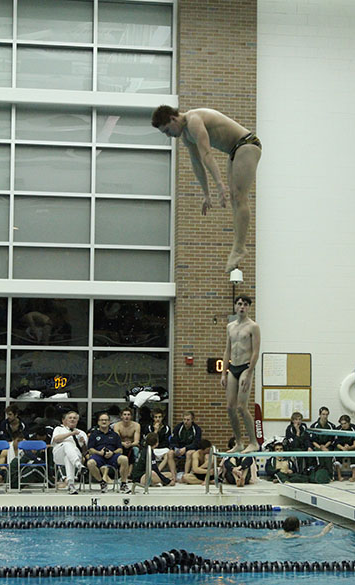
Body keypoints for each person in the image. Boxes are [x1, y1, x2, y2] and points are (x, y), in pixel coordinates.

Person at [151, 105, 262, 273]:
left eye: (167, 130)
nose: (169, 136)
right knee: (234, 199)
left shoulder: (194, 120)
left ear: (173, 119)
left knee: (239, 197)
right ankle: (238, 246)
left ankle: (239, 247)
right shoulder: (186, 136)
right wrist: (206, 193)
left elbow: (207, 154)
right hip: (235, 150)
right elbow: (197, 164)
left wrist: (219, 184)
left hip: (246, 143)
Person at [221, 295, 260, 454]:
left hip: (245, 367)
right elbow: (227, 351)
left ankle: (253, 442)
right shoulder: (230, 327)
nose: (242, 307)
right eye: (239, 304)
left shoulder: (253, 327)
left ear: (248, 307)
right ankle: (238, 442)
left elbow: (256, 352)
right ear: (235, 307)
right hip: (233, 367)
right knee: (230, 407)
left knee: (241, 407)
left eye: (245, 304)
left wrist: (250, 373)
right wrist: (223, 373)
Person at [87, 412, 130, 493]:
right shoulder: (94, 434)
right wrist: (99, 453)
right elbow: (90, 449)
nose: (104, 422)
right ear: (98, 422)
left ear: (109, 422)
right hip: (99, 456)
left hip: (112, 456)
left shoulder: (115, 435)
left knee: (124, 459)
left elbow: (120, 449)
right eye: (102, 420)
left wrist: (112, 453)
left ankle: (123, 484)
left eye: (106, 420)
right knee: (90, 463)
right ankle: (102, 482)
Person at [52, 411, 88, 495]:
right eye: (70, 418)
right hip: (58, 454)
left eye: (74, 418)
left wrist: (84, 444)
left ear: (77, 421)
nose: (72, 419)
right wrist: (71, 434)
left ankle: (71, 484)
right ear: (65, 421)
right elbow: (56, 439)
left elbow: (85, 452)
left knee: (68, 457)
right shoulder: (59, 429)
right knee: (67, 445)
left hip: (74, 456)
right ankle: (79, 466)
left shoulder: (81, 433)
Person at [144, 408, 176, 483]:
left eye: (159, 417)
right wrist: (155, 431)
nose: (158, 419)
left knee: (168, 454)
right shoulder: (149, 427)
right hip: (152, 448)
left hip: (163, 448)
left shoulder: (167, 428)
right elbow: (150, 441)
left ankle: (172, 475)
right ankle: (157, 473)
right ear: (153, 418)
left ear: (162, 418)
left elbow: (166, 442)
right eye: (156, 417)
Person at [168, 410, 202, 475]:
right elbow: (173, 440)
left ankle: (185, 474)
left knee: (189, 453)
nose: (185, 422)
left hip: (190, 449)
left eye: (188, 420)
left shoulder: (197, 429)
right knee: (170, 453)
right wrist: (175, 448)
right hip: (179, 449)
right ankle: (173, 475)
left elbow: (197, 443)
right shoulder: (178, 427)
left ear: (192, 420)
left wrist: (186, 448)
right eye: (184, 419)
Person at [112, 407, 141, 476]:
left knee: (134, 450)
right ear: (121, 416)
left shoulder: (136, 425)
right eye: (124, 414)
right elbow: (116, 440)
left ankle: (129, 474)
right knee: (120, 450)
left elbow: (136, 441)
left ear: (131, 416)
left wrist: (130, 444)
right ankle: (121, 473)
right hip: (120, 445)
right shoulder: (117, 425)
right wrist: (123, 444)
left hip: (132, 446)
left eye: (128, 415)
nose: (126, 416)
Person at [333, 415, 355, 482]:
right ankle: (339, 476)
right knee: (337, 452)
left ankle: (353, 476)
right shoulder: (338, 429)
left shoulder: (354, 429)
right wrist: (342, 448)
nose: (343, 425)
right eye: (342, 424)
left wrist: (349, 448)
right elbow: (336, 443)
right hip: (341, 447)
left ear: (349, 423)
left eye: (345, 423)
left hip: (351, 446)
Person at [310, 406, 336, 477]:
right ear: (319, 414)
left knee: (328, 455)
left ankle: (330, 475)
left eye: (326, 414)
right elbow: (312, 440)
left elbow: (332, 439)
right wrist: (321, 447)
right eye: (323, 414)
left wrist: (325, 447)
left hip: (327, 445)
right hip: (317, 446)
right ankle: (320, 474)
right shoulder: (314, 426)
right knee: (319, 455)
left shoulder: (331, 426)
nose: (325, 416)